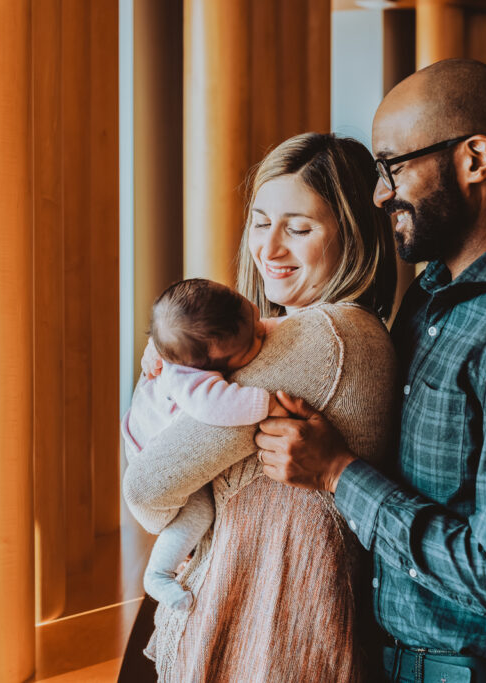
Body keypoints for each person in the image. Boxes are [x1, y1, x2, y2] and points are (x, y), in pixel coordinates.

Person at [255, 58, 486, 682]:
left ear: (476, 160)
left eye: (393, 165)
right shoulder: (430, 293)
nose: (379, 192)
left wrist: (339, 472)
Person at [122, 132, 398, 682]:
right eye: (259, 221)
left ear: (355, 236)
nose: (269, 249)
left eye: (298, 229)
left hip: (270, 644)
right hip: (248, 628)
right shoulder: (285, 334)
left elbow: (147, 491)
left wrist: (167, 375)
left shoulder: (326, 336)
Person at [122, 278, 280, 611]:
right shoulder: (188, 378)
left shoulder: (194, 337)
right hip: (150, 448)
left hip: (139, 422)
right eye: (248, 346)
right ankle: (159, 573)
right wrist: (268, 403)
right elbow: (219, 406)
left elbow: (259, 325)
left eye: (251, 314)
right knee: (199, 511)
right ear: (205, 367)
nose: (261, 332)